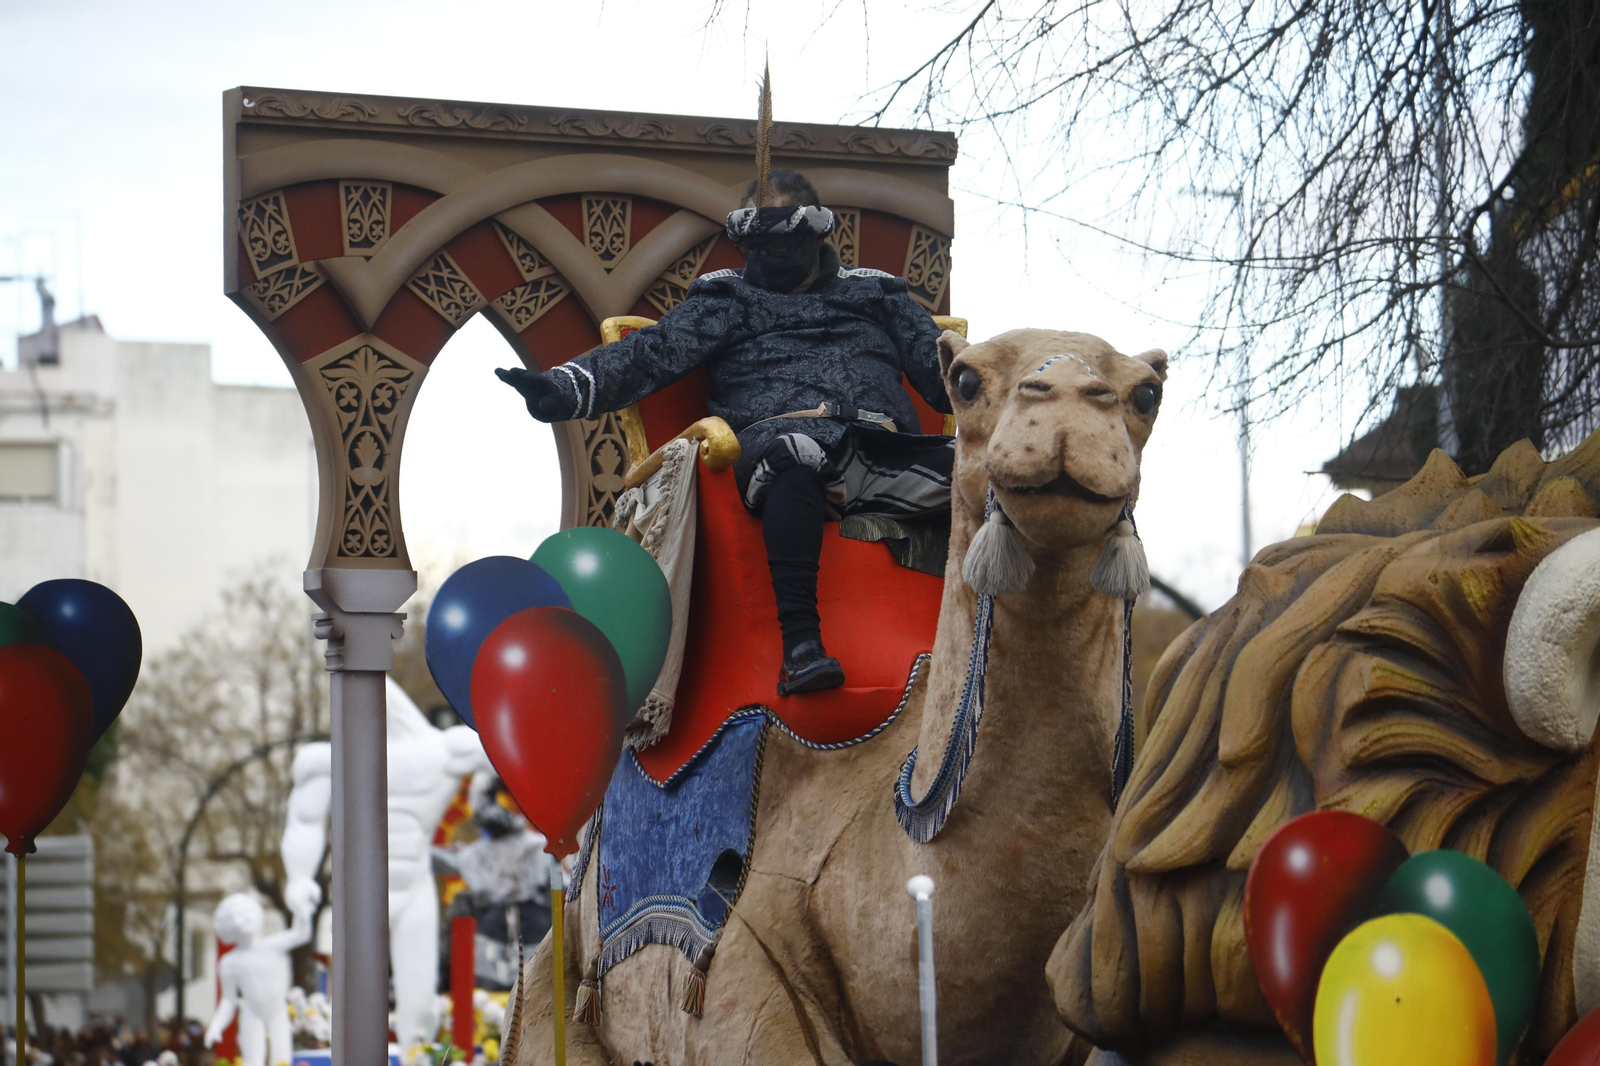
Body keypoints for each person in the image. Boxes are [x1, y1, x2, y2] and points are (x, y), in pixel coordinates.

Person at [496, 169, 953, 695]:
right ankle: (802, 649)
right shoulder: (725, 300)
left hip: (882, 451)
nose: (766, 256)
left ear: (816, 234)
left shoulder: (877, 294)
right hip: (782, 456)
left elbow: (945, 372)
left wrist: (1007, 383)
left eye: (780, 243)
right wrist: (563, 386)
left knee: (987, 476)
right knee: (797, 456)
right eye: (753, 245)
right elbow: (651, 353)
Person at [281, 678, 492, 1052]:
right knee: (354, 1004)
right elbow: (304, 822)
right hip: (359, 889)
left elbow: (510, 747)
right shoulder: (333, 760)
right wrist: (297, 878)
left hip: (413, 888)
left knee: (419, 1003)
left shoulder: (444, 751)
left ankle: (416, 1057)